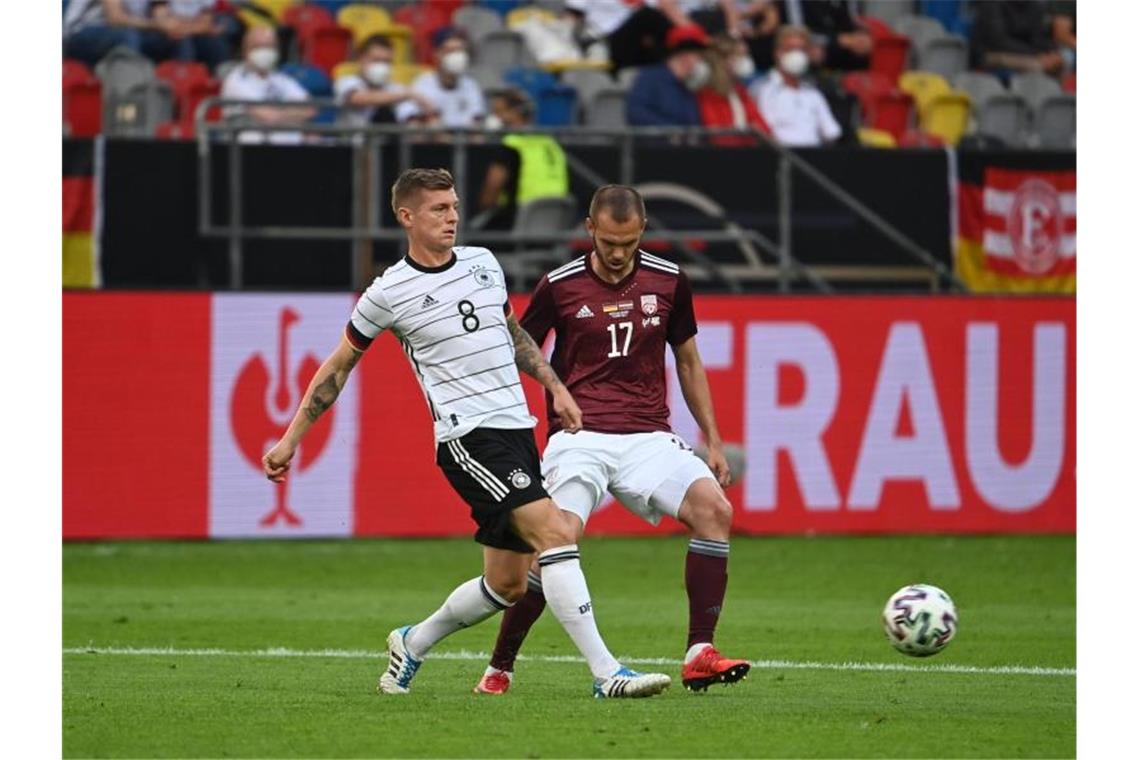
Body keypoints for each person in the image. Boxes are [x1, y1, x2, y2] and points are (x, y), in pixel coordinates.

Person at [262, 168, 672, 700]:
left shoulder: (483, 263)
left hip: (517, 428)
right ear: (406, 216)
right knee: (557, 533)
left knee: (505, 583)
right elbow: (337, 369)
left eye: (454, 206)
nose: (452, 216)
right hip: (468, 437)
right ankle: (606, 673)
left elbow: (514, 334)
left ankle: (412, 642)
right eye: (438, 209)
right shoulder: (388, 292)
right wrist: (291, 438)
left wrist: (555, 385)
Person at [472, 185, 750, 696]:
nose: (618, 253)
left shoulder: (669, 281)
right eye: (608, 242)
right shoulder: (560, 285)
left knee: (716, 511)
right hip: (579, 438)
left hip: (648, 435)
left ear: (641, 231)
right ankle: (500, 666)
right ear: (590, 229)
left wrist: (711, 437)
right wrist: (553, 392)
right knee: (556, 540)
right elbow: (520, 345)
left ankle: (699, 652)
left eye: (628, 242)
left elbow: (688, 361)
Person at [474, 89, 570, 231]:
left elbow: (491, 190)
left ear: (515, 113)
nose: (494, 117)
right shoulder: (551, 144)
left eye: (499, 112)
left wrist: (482, 209)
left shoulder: (511, 145)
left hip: (518, 223)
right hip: (555, 226)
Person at [221, 26, 315, 145]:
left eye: (270, 46)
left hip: (292, 147)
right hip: (251, 150)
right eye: (259, 46)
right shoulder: (236, 79)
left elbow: (311, 108)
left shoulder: (281, 78)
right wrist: (292, 113)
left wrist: (277, 114)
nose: (265, 51)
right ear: (245, 50)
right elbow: (268, 116)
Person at [750, 25, 841, 147]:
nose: (797, 54)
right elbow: (762, 134)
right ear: (778, 52)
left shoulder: (813, 93)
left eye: (802, 50)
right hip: (780, 157)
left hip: (814, 157)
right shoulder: (762, 89)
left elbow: (832, 133)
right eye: (790, 49)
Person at [335, 35, 438, 128]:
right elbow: (359, 98)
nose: (381, 66)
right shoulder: (347, 81)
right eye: (376, 60)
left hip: (389, 145)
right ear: (361, 59)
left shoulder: (397, 89)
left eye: (386, 62)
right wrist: (408, 95)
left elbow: (410, 120)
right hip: (352, 145)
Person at [395, 28, 486, 128]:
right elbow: (413, 126)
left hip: (465, 141)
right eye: (451, 51)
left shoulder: (471, 85)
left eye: (460, 51)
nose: (457, 56)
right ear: (437, 54)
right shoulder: (422, 84)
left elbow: (477, 126)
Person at [626, 24, 711, 127]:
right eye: (699, 54)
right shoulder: (651, 76)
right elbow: (636, 113)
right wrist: (672, 131)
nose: (702, 60)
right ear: (685, 55)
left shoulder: (692, 82)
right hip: (658, 142)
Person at [696, 35, 771, 146]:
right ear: (724, 60)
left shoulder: (740, 92)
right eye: (741, 56)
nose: (746, 61)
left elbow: (764, 130)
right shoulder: (707, 94)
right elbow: (718, 136)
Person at [971, 0, 1064, 75]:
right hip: (990, 53)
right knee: (1039, 67)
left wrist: (1052, 52)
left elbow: (1038, 37)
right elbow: (998, 41)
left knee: (1059, 63)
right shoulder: (991, 3)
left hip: (1025, 53)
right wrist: (1037, 54)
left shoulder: (1034, 5)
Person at [63, 0, 167, 67]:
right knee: (127, 37)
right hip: (81, 31)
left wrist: (173, 27)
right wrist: (156, 25)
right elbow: (115, 19)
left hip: (131, 30)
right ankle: (130, 98)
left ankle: (167, 96)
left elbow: (160, 13)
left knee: (168, 41)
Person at [779, 0, 871, 71]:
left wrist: (861, 38)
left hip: (841, 51)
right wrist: (837, 40)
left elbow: (856, 22)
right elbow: (796, 32)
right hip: (807, 49)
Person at [149, 0, 230, 71]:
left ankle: (216, 80)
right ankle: (183, 81)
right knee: (184, 44)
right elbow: (163, 22)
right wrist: (182, 28)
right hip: (164, 35)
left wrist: (183, 29)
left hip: (192, 32)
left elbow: (205, 24)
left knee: (217, 44)